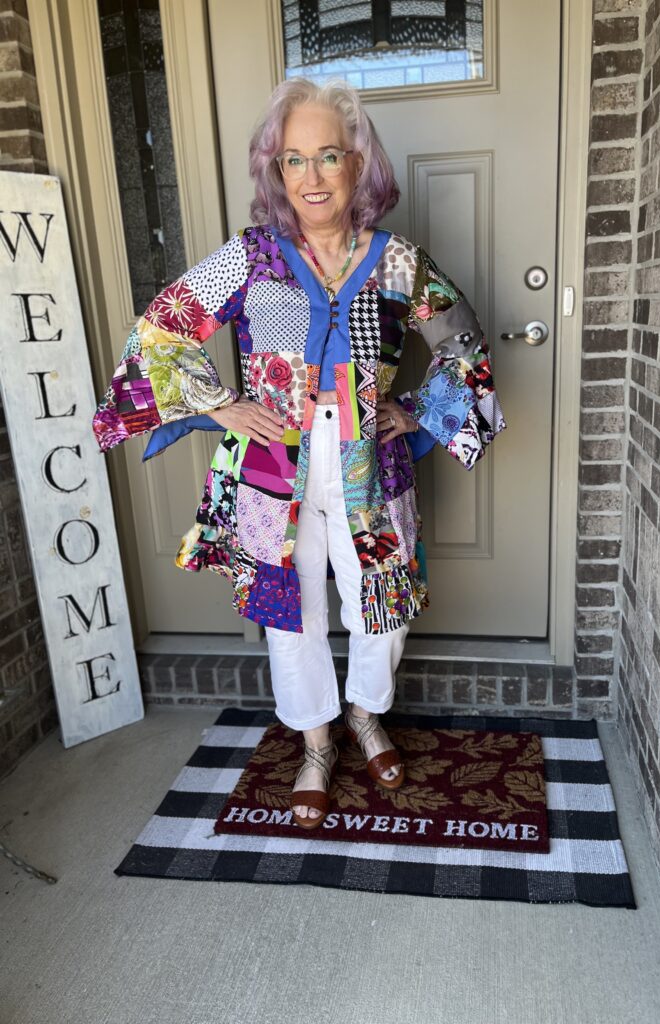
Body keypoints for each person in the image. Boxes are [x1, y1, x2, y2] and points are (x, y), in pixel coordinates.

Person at [93, 78, 506, 830]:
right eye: (293, 159)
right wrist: (219, 404)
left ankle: (365, 716)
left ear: (358, 165)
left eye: (328, 156)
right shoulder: (252, 258)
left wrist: (414, 410)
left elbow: (464, 346)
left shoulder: (398, 262)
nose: (312, 176)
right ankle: (316, 744)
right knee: (290, 612)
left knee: (382, 605)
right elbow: (161, 329)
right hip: (271, 470)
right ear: (276, 171)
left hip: (369, 468)